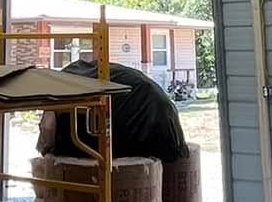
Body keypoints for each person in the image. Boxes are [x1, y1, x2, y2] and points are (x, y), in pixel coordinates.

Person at [40, 55, 190, 163]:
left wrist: (48, 152)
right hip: (157, 109)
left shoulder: (63, 91)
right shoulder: (72, 76)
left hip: (149, 113)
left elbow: (48, 128)